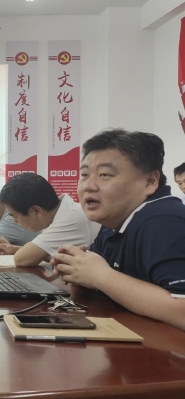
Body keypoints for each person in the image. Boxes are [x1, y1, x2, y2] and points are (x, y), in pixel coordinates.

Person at [51, 129, 185, 332]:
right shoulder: (115, 222)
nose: (88, 186)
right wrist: (74, 266)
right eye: (84, 175)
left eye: (104, 175)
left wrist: (101, 276)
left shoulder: (163, 220)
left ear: (150, 182)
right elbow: (96, 274)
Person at [0, 173, 100, 267]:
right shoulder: (56, 214)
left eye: (15, 216)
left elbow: (21, 259)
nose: (15, 221)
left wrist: (20, 252)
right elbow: (46, 252)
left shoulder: (72, 217)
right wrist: (14, 249)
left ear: (36, 211)